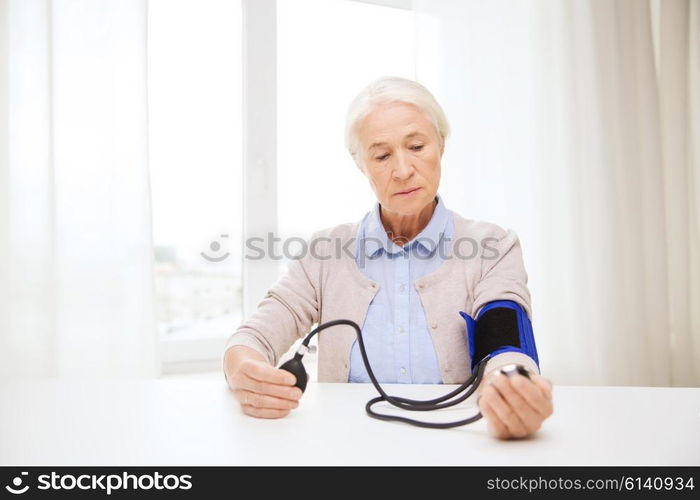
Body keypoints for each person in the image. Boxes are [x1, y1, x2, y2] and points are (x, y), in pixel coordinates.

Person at [223, 76, 553, 440]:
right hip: (347, 448)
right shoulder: (324, 253)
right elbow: (255, 336)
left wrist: (512, 386)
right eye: (381, 155)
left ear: (441, 145)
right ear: (360, 164)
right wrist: (242, 368)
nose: (402, 170)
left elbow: (505, 338)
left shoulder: (493, 245)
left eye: (416, 146)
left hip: (459, 447)